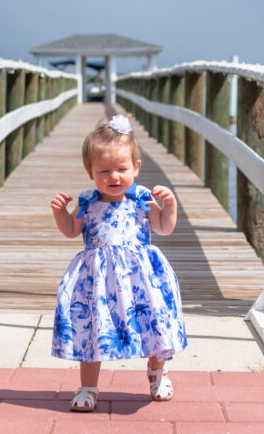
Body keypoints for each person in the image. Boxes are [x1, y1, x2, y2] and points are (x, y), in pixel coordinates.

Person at [50, 114, 187, 411]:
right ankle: (88, 386)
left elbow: (163, 227)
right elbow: (73, 231)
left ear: (136, 168)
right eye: (104, 171)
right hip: (98, 279)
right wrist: (61, 214)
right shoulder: (88, 203)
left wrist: (170, 206)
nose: (114, 177)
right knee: (93, 327)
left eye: (121, 169)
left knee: (153, 323)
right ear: (91, 173)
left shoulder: (141, 199)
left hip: (141, 278)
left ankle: (158, 373)